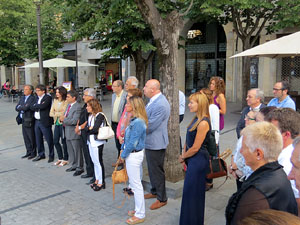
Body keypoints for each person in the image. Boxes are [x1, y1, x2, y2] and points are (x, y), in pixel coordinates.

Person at [225, 122, 298, 225]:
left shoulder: (256, 195)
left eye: (244, 147)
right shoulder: (278, 174)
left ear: (258, 154)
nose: (240, 151)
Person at [178, 92, 211, 225]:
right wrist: (184, 153)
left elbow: (196, 147)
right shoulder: (196, 119)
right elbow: (188, 140)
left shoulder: (203, 122)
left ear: (200, 104)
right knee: (190, 192)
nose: (189, 105)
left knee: (193, 192)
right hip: (192, 159)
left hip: (198, 160)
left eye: (192, 102)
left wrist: (183, 157)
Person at [119, 96, 148, 224]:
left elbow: (132, 143)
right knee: (135, 184)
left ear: (134, 105)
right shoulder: (135, 120)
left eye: (128, 104)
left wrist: (123, 155)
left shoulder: (138, 122)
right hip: (132, 153)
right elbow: (128, 139)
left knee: (136, 185)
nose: (126, 105)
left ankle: (140, 213)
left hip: (134, 155)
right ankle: (138, 210)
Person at [266, 108, 300, 213]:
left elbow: (297, 200)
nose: (266, 135)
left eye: (271, 132)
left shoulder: (289, 163)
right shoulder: (280, 154)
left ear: (286, 135)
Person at [143, 79, 170, 210]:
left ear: (153, 89)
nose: (143, 88)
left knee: (157, 170)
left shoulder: (160, 104)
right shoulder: (153, 101)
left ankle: (162, 198)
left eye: (146, 86)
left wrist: (137, 127)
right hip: (150, 141)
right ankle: (154, 191)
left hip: (156, 142)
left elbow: (151, 125)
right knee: (152, 169)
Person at [229, 111, 257, 190]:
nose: (245, 119)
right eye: (245, 116)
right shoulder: (244, 134)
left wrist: (235, 167)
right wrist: (232, 165)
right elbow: (236, 151)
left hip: (246, 177)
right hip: (238, 175)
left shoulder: (256, 138)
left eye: (248, 118)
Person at [75, 88, 96, 184]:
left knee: (91, 154)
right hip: (83, 131)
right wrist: (78, 126)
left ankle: (95, 175)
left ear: (91, 96)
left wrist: (79, 128)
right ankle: (89, 171)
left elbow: (89, 120)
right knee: (86, 152)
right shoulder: (85, 105)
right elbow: (81, 117)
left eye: (85, 95)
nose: (83, 97)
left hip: (89, 132)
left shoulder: (94, 105)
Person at [60, 90, 83, 176]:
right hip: (67, 130)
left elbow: (74, 120)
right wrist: (61, 119)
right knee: (71, 150)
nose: (66, 98)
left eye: (68, 97)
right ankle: (73, 164)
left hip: (73, 132)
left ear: (74, 98)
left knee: (77, 150)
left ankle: (79, 167)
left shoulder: (77, 107)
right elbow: (65, 116)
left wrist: (64, 120)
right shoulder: (68, 105)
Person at [201, 88, 220, 191]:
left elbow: (215, 126)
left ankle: (209, 182)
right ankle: (205, 179)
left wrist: (216, 141)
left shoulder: (213, 107)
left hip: (211, 138)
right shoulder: (203, 107)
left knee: (210, 161)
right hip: (204, 137)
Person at [85, 99, 106, 191]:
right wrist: (89, 128)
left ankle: (101, 182)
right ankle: (97, 179)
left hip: (97, 142)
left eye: (88, 106)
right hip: (90, 141)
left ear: (93, 107)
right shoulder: (90, 116)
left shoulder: (100, 115)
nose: (86, 108)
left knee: (98, 162)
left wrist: (89, 128)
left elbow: (94, 129)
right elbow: (87, 128)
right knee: (94, 161)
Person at [31, 84, 54, 162]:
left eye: (38, 90)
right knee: (38, 138)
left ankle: (51, 154)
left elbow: (43, 106)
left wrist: (37, 106)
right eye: (36, 90)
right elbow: (31, 106)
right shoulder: (36, 98)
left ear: (43, 91)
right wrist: (38, 105)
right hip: (37, 121)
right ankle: (41, 154)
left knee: (48, 138)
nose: (36, 92)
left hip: (44, 121)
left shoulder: (47, 97)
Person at [15, 85, 36, 159]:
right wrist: (22, 107)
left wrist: (21, 107)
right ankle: (28, 151)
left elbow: (27, 107)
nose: (24, 91)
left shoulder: (32, 98)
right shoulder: (23, 97)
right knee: (25, 137)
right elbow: (16, 107)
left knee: (31, 136)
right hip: (22, 119)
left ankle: (33, 153)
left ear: (31, 91)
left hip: (29, 119)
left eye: (26, 89)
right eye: (24, 89)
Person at [50, 86, 68, 166]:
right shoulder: (55, 100)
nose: (57, 94)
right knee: (55, 141)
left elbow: (64, 113)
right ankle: (60, 158)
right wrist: (58, 113)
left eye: (58, 92)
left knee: (64, 141)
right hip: (56, 123)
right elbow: (50, 113)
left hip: (62, 123)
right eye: (56, 92)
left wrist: (55, 113)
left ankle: (65, 158)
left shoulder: (66, 101)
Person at [111, 80, 127, 164]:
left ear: (120, 87)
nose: (112, 87)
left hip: (122, 125)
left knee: (122, 144)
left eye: (114, 86)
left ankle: (122, 161)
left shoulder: (125, 96)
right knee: (117, 144)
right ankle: (119, 160)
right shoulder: (113, 96)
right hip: (114, 123)